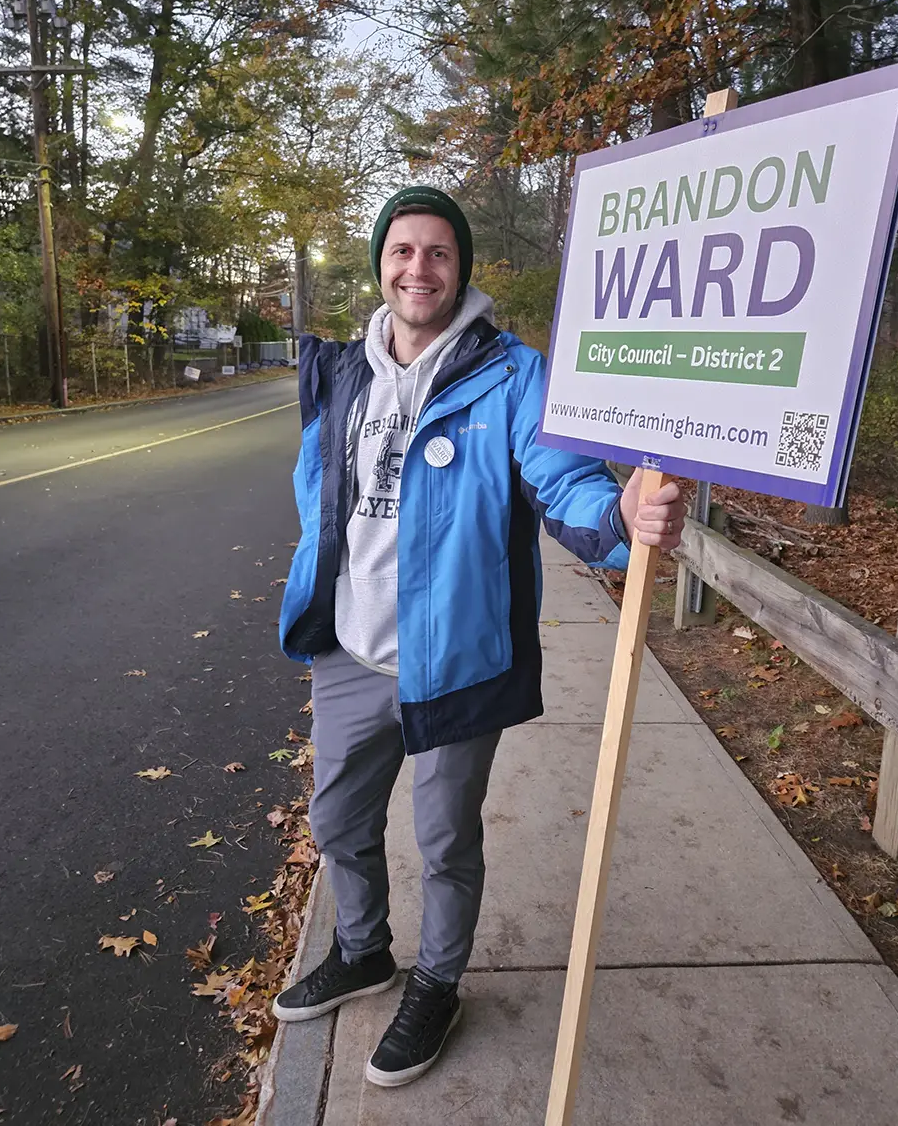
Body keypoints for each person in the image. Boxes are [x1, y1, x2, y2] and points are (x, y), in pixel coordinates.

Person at [273, 186, 686, 1087]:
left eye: (439, 252)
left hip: (453, 656)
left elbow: (564, 477)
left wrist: (619, 515)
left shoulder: (511, 373)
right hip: (350, 650)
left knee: (445, 839)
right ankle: (363, 949)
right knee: (337, 819)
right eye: (402, 250)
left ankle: (437, 982)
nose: (418, 267)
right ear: (381, 264)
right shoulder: (343, 371)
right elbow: (321, 487)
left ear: (460, 269)